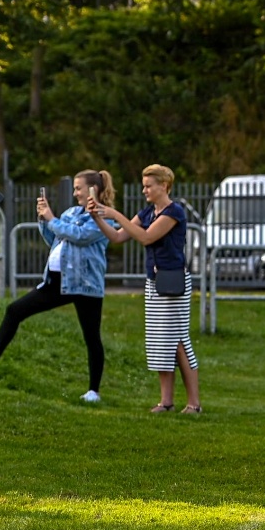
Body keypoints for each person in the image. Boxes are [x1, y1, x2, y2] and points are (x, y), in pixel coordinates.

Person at [0, 170, 112, 403]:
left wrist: (51, 218)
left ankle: (93, 391)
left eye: (79, 188)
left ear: (94, 190)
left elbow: (78, 235)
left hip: (85, 285)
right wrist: (43, 220)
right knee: (15, 310)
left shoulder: (103, 217)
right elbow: (56, 238)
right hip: (57, 282)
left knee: (91, 336)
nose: (75, 192)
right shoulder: (70, 212)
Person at [88, 164, 201, 413]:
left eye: (149, 185)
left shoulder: (174, 212)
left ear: (164, 185)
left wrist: (115, 214)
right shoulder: (148, 211)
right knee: (161, 343)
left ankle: (194, 403)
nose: (145, 190)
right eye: (144, 185)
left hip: (173, 283)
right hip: (154, 282)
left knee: (179, 341)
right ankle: (166, 402)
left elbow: (147, 237)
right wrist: (98, 217)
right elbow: (118, 237)